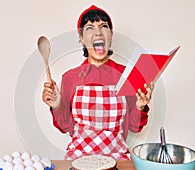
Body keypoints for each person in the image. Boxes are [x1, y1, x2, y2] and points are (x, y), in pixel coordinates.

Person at [42, 5, 153, 160]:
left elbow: (135, 127)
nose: (98, 32)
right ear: (81, 38)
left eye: (104, 26)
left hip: (118, 161)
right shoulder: (69, 78)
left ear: (111, 35)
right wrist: (57, 106)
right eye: (89, 28)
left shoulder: (127, 75)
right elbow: (66, 127)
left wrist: (140, 106)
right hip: (78, 159)